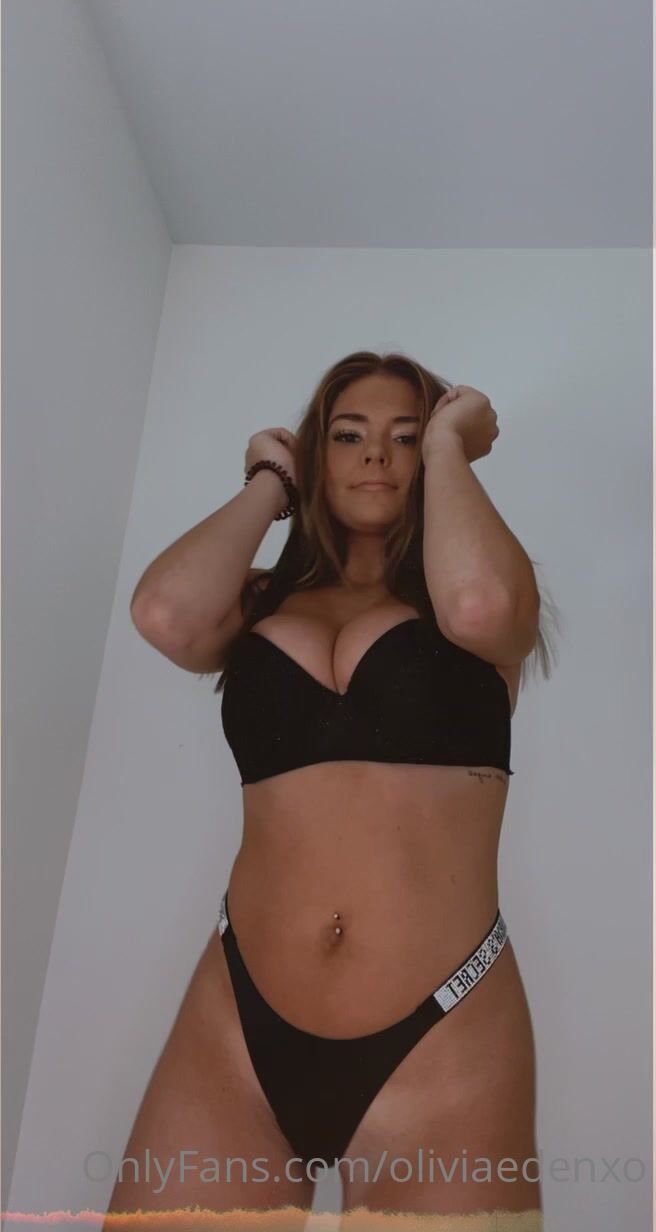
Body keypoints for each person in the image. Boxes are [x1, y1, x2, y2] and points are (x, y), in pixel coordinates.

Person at [105, 351, 557, 1231]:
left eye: (405, 437)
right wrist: (273, 478)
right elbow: (165, 613)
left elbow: (478, 605)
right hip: (235, 1029)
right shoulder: (260, 602)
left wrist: (451, 446)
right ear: (319, 455)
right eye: (347, 436)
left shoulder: (474, 603)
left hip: (444, 1035)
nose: (376, 455)